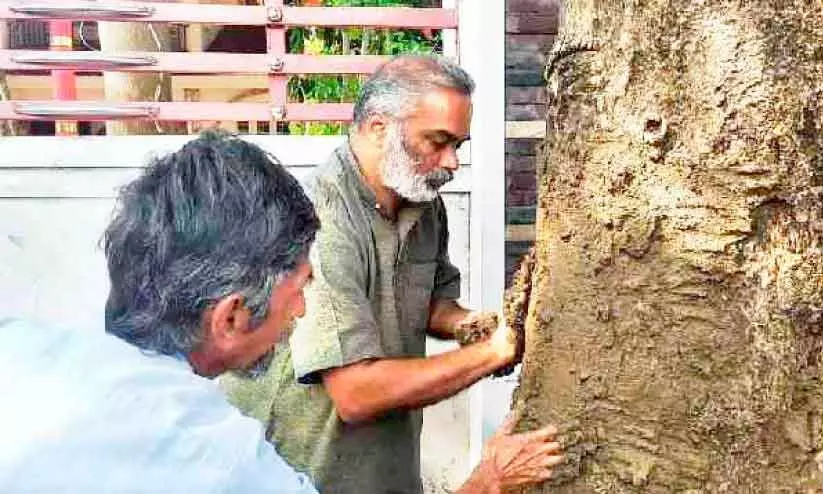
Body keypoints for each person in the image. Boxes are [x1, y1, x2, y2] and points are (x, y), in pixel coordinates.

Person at [225, 55, 563, 493]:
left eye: (458, 145)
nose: (452, 163)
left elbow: (430, 304)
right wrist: (494, 353)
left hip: (382, 469)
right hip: (302, 473)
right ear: (378, 128)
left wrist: (473, 325)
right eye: (437, 142)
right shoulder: (319, 219)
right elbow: (355, 393)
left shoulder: (423, 202)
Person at [0, 131, 320, 492]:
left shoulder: (15, 347)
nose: (302, 309)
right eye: (300, 288)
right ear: (230, 319)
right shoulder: (218, 460)